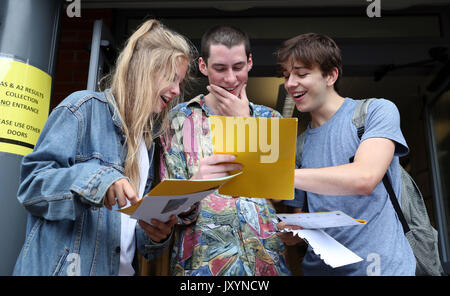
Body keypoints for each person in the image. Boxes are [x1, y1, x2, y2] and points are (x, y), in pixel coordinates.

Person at [13, 19, 196, 276]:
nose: (177, 90)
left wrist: (155, 234)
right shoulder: (81, 108)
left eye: (181, 82)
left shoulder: (146, 143)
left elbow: (130, 237)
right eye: (171, 78)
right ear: (144, 70)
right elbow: (32, 187)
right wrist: (99, 181)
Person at [275, 33, 416, 275]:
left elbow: (364, 178)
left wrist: (279, 175)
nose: (289, 83)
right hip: (321, 270)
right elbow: (303, 217)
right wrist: (295, 232)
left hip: (381, 268)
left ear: (331, 75)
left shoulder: (376, 112)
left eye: (301, 73)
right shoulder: (298, 145)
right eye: (287, 76)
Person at [160, 25, 291, 276]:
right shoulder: (178, 121)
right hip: (201, 268)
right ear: (202, 66)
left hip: (266, 265)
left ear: (250, 62)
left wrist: (244, 126)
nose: (230, 79)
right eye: (220, 69)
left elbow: (278, 196)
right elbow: (167, 209)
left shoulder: (272, 120)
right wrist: (196, 185)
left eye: (238, 67)